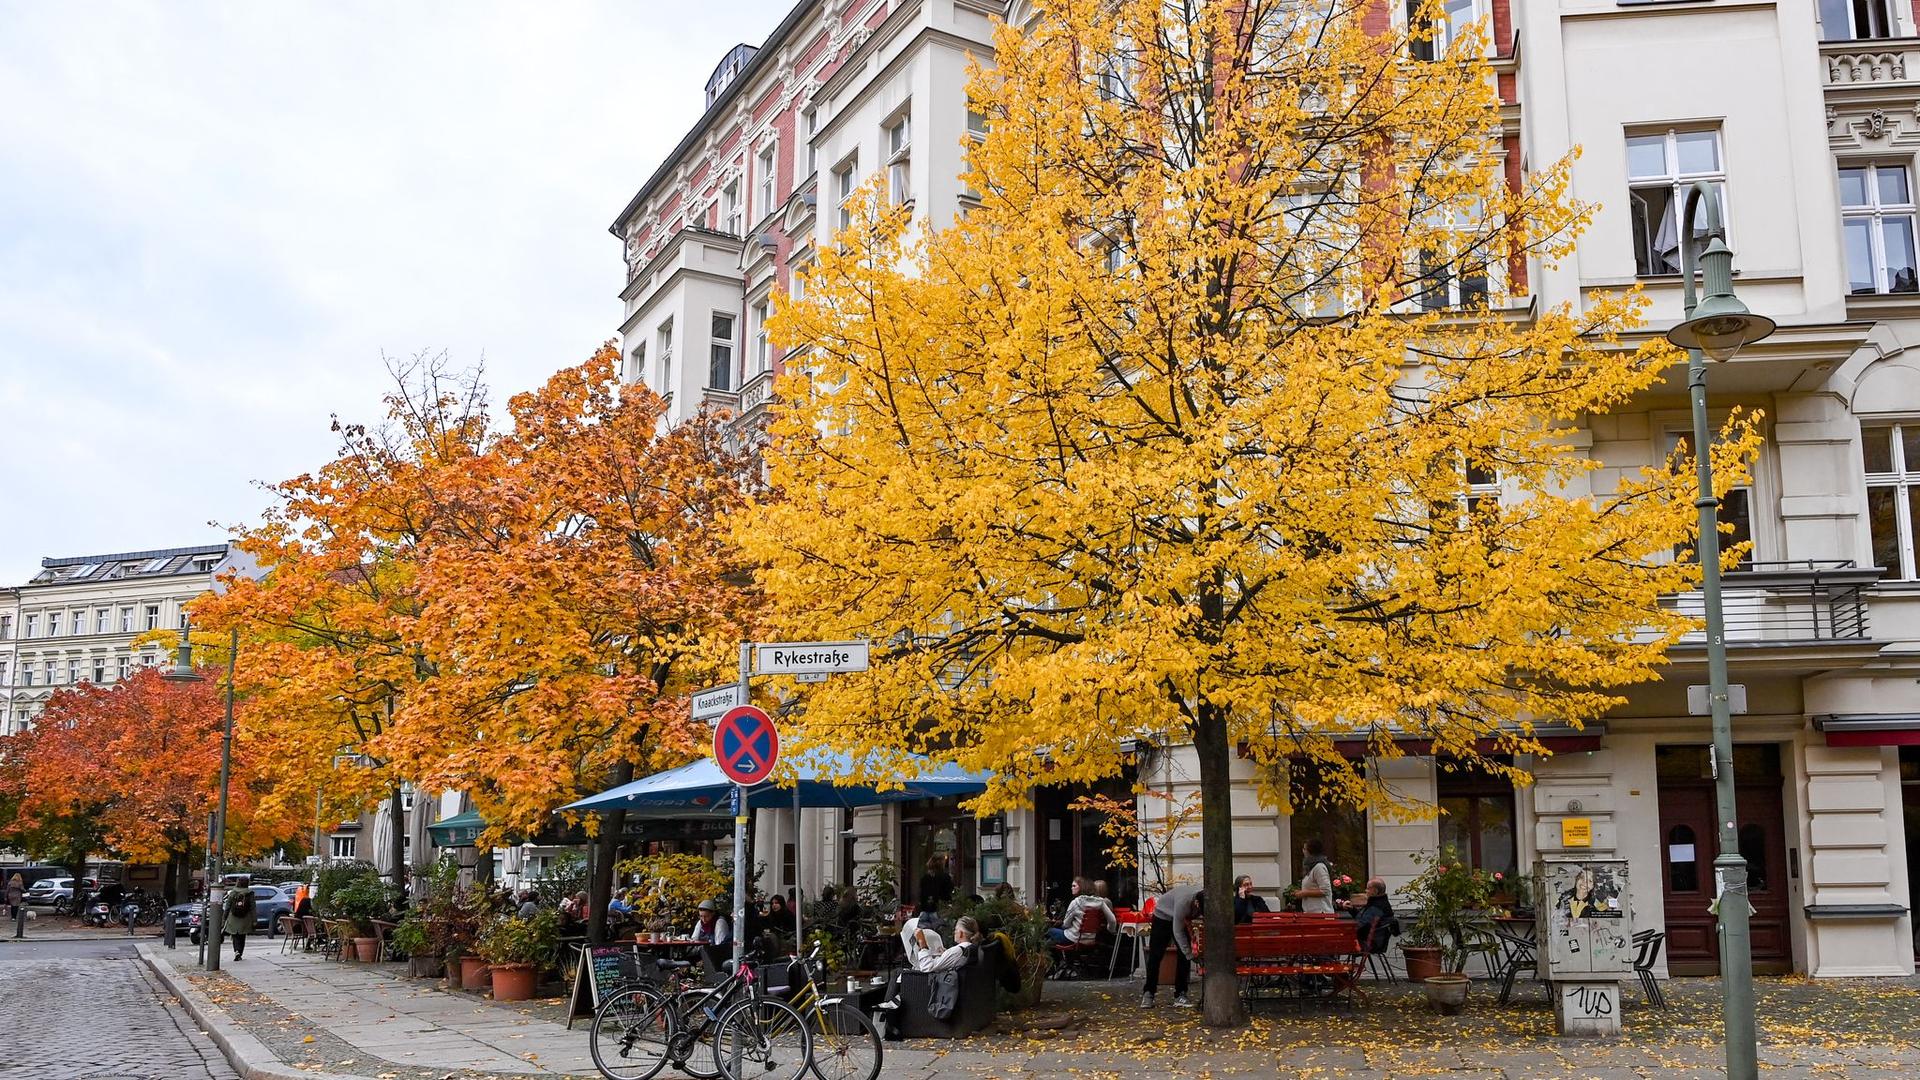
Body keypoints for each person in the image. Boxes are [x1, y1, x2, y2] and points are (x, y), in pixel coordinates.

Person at [1140, 883, 1202, 1008]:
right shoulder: (1183, 903)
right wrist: (1189, 953)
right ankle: (1149, 993)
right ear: (1196, 903)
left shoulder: (1206, 898)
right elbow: (1177, 931)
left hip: (1182, 918)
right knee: (1155, 955)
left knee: (1183, 957)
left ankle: (1181, 994)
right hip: (1163, 916)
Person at [1046, 876, 1117, 946]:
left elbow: (1066, 925)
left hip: (1074, 938)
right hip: (1091, 939)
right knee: (1050, 941)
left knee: (1048, 930)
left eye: (1074, 886)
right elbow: (1113, 920)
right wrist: (1111, 930)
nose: (1071, 888)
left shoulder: (1075, 902)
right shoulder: (1100, 902)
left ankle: (1044, 955)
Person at [901, 914, 979, 972]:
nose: (954, 932)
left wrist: (922, 942)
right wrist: (946, 954)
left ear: (961, 933)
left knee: (898, 973)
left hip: (934, 985)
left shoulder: (958, 951)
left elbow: (927, 967)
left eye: (956, 930)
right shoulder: (971, 948)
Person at [1349, 877, 1398, 953]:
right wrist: (1351, 909)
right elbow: (1364, 920)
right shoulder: (1380, 903)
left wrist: (1343, 931)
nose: (1366, 891)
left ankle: (1331, 963)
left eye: (1368, 888)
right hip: (1374, 941)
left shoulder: (1376, 906)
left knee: (1334, 941)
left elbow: (1361, 925)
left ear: (1375, 891)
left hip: (1369, 943)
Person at [223, 877, 258, 960]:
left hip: (233, 918)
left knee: (235, 936)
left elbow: (227, 906)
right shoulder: (250, 893)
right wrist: (254, 920)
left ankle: (236, 951)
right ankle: (240, 952)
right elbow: (253, 908)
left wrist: (224, 917)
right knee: (242, 936)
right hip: (245, 918)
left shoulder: (233, 892)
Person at [1296, 839, 1334, 914]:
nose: (1303, 851)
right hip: (1311, 912)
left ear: (1309, 851)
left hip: (1321, 912)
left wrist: (1304, 893)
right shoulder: (1310, 868)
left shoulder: (1319, 867)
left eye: (1304, 849)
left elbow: (1325, 890)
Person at [691, 899, 732, 967]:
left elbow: (719, 944)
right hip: (703, 952)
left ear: (712, 914)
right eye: (701, 916)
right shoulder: (700, 923)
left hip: (715, 955)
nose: (703, 919)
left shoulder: (719, 922)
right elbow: (694, 939)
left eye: (706, 916)